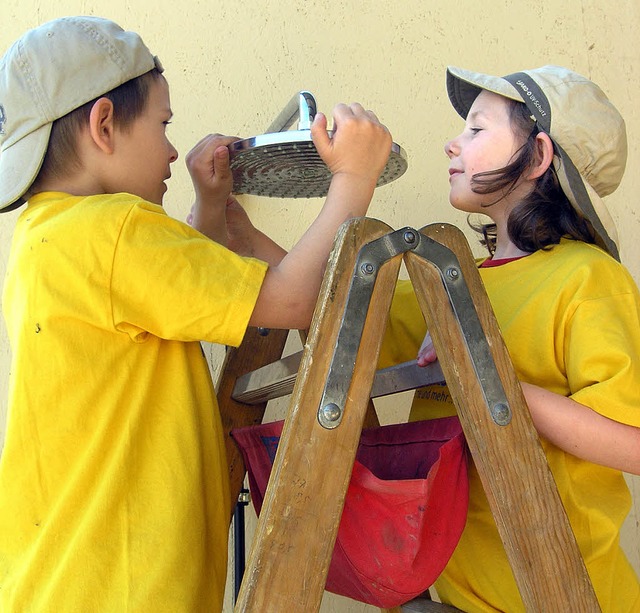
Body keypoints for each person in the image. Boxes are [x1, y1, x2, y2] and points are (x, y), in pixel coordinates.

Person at [0, 16, 393, 612]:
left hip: (60, 578)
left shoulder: (47, 236)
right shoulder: (116, 231)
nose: (172, 149)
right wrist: (353, 178)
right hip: (126, 589)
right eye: (163, 124)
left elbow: (159, 293)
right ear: (104, 124)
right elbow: (292, 301)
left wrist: (210, 209)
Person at [378, 65, 640, 611]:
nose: (453, 143)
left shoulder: (589, 278)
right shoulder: (458, 284)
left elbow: (632, 442)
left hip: (566, 595)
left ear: (539, 157)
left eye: (476, 130)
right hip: (463, 595)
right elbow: (337, 306)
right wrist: (232, 225)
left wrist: (497, 390)